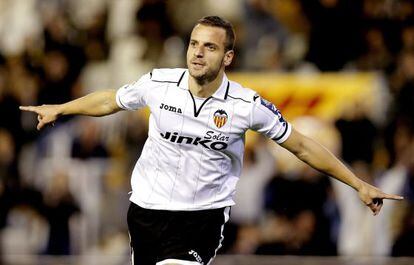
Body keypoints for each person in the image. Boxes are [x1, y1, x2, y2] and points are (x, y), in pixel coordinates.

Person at [20, 16, 403, 265]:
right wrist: (61, 108)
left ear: (228, 56)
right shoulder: (158, 84)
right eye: (194, 44)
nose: (198, 53)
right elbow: (111, 100)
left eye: (210, 47)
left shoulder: (246, 105)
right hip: (145, 212)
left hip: (200, 219)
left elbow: (300, 145)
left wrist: (357, 183)